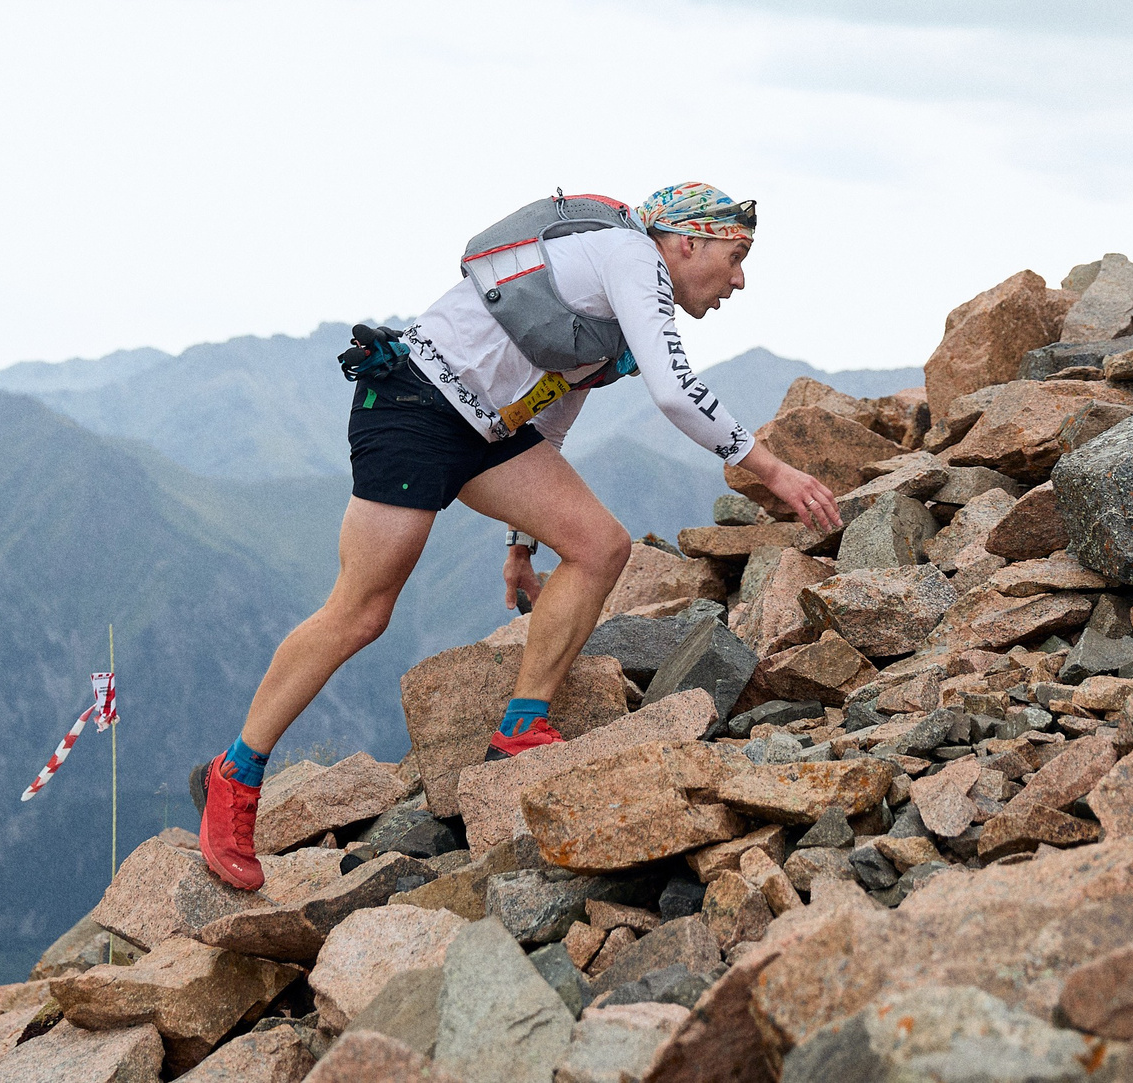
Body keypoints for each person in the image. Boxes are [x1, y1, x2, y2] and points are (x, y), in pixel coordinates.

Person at [192, 182, 840, 890]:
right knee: (362, 612)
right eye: (736, 253)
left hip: (486, 432)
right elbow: (674, 390)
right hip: (412, 403)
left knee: (600, 546)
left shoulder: (621, 302)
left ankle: (521, 729)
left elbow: (550, 413)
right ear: (687, 242)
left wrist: (522, 542)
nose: (740, 277)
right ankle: (235, 775)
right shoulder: (632, 256)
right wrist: (774, 472)